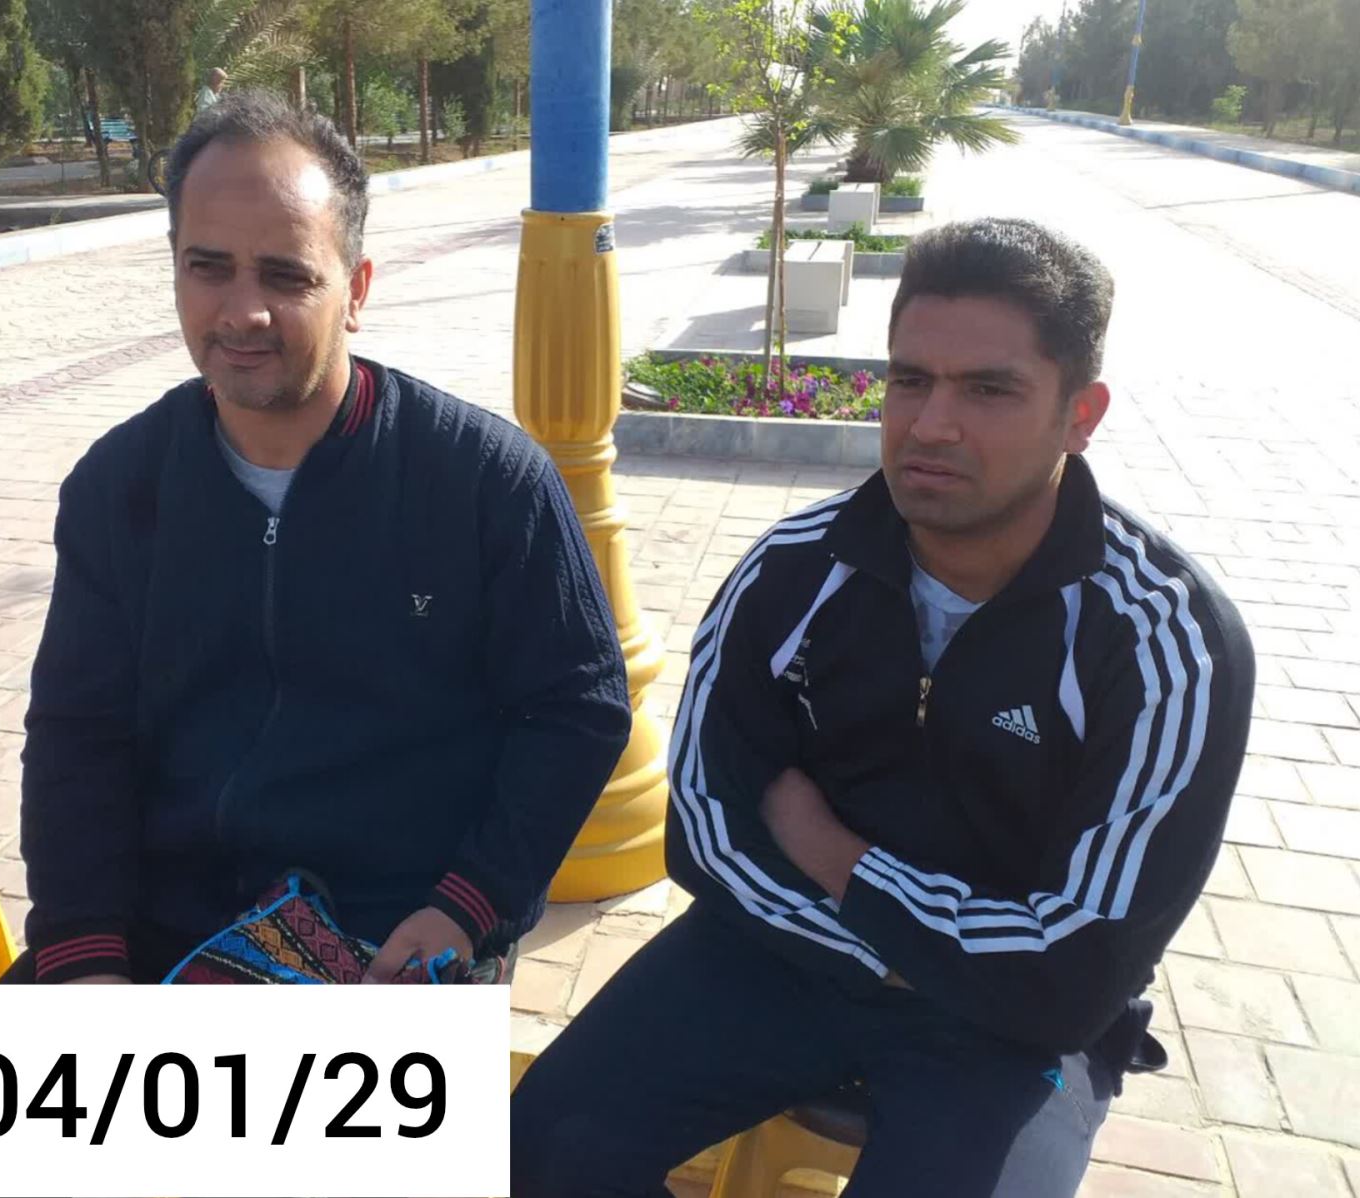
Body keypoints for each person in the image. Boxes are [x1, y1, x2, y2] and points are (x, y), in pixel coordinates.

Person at [509, 218, 1255, 1197]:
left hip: (1009, 1034)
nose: (931, 424)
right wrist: (908, 948)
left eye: (988, 389)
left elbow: (1075, 968)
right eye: (910, 380)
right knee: (541, 1146)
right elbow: (707, 836)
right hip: (777, 958)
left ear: (1081, 414)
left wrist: (834, 854)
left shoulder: (1163, 642)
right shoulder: (791, 574)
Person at [9, 91, 631, 985]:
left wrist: (471, 902)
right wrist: (83, 952)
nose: (242, 312)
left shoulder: (486, 483)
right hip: (162, 924)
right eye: (208, 268)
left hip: (392, 932)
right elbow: (78, 734)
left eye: (285, 276)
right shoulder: (120, 487)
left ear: (356, 289)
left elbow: (579, 706)